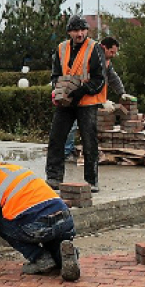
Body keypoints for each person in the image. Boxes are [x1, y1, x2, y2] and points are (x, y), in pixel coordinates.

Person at [0, 154, 80, 281]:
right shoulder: (4, 169)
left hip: (38, 225)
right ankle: (65, 257)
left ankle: (40, 258)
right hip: (65, 219)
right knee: (54, 245)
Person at [45, 15, 106, 192]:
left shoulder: (94, 48)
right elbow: (55, 74)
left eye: (82, 30)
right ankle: (54, 177)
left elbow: (99, 79)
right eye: (76, 30)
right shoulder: (61, 48)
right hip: (66, 101)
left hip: (87, 101)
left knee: (89, 141)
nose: (80, 34)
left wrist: (80, 92)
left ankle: (91, 181)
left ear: (86, 30)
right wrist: (58, 89)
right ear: (69, 32)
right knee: (56, 138)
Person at [63, 35, 128, 158]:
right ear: (104, 47)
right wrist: (102, 100)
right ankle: (66, 152)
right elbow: (92, 80)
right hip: (76, 91)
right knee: (72, 123)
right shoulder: (92, 55)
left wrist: (121, 92)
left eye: (115, 53)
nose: (113, 55)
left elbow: (112, 77)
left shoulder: (106, 60)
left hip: (87, 94)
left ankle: (76, 150)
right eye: (111, 52)